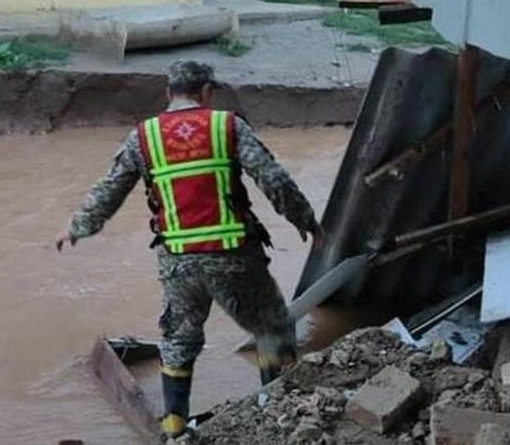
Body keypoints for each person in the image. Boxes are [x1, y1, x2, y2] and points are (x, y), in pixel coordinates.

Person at [54, 60, 324, 440]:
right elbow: (274, 179)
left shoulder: (143, 137)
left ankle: (174, 426)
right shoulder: (226, 126)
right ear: (206, 92)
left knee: (179, 340)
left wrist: (77, 228)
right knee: (271, 327)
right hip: (233, 254)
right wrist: (306, 221)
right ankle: (276, 411)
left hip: (177, 261)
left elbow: (110, 190)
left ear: (169, 93)